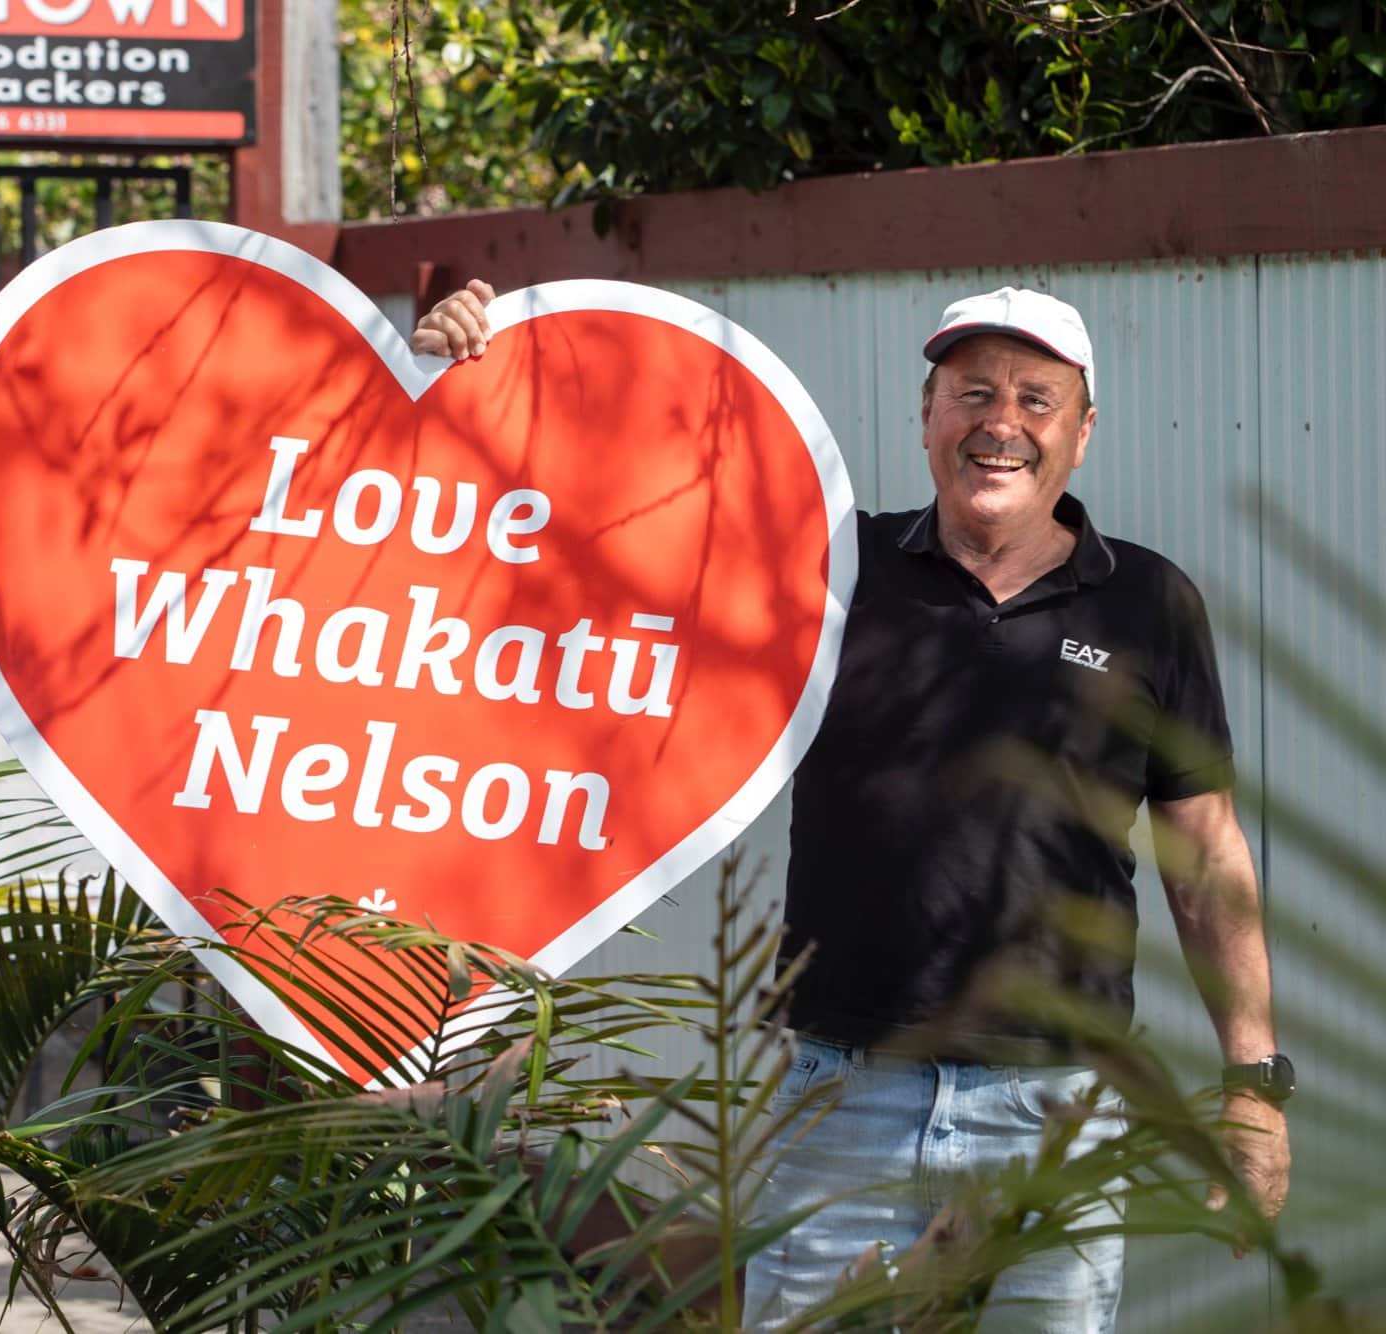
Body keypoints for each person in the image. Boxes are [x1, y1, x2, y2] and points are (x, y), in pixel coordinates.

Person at [412, 283, 1290, 1331]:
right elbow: (592, 552)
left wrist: (1252, 1087)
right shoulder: (831, 570)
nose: (999, 423)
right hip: (841, 1094)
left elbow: (1207, 859)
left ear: (1081, 432)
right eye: (971, 392)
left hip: (1056, 1103)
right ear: (925, 416)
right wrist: (476, 379)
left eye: (1034, 397)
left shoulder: (1147, 603)